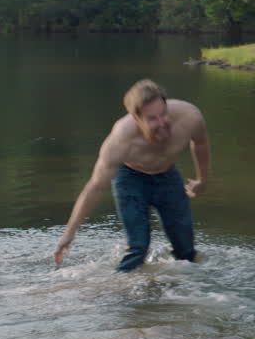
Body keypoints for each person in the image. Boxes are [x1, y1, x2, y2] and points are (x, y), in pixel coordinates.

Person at [53, 79, 210, 271]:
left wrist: (202, 180)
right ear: (137, 118)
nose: (162, 123)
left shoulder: (190, 117)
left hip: (168, 177)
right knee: (138, 248)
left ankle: (180, 294)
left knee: (186, 251)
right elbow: (95, 187)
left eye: (164, 114)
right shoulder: (121, 140)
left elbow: (200, 144)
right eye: (152, 119)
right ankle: (124, 294)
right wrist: (70, 232)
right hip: (131, 180)